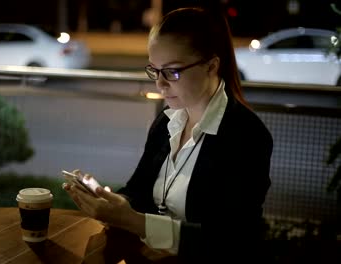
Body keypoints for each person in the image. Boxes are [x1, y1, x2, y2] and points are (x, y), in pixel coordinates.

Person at [63, 6, 273, 263]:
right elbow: (139, 189)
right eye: (154, 70)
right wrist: (111, 202)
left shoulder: (246, 137)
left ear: (211, 66)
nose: (159, 84)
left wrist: (136, 222)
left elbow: (231, 240)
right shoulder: (168, 121)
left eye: (172, 72)